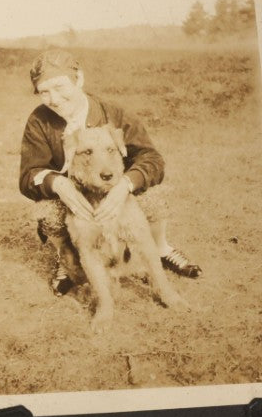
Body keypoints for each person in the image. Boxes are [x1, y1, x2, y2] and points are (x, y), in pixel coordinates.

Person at [18, 48, 201, 295]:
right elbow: (29, 174)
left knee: (155, 200)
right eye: (44, 92)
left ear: (79, 79)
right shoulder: (40, 121)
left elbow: (152, 158)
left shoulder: (114, 113)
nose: (55, 99)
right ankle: (66, 259)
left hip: (116, 188)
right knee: (47, 212)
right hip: (73, 196)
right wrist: (59, 185)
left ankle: (161, 249)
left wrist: (125, 185)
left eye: (60, 87)